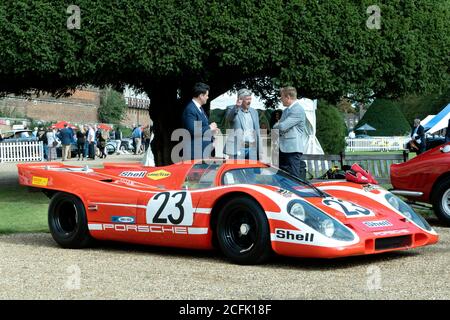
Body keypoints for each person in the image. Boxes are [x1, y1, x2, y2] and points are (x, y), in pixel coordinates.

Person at [272, 86, 307, 180]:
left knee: (294, 178)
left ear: (288, 97)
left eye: (281, 97)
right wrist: (279, 125)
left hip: (292, 149)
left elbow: (282, 126)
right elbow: (277, 126)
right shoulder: (287, 110)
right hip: (283, 148)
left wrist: (278, 124)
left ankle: (295, 194)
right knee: (282, 177)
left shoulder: (297, 109)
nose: (280, 99)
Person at [181, 82, 218, 160]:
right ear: (201, 96)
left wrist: (212, 132)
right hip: (195, 154)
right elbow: (193, 130)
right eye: (207, 95)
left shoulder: (199, 108)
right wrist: (209, 127)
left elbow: (200, 128)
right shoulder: (190, 109)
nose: (208, 97)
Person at [223, 89, 261, 160]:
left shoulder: (254, 112)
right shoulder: (232, 109)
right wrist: (237, 107)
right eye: (247, 99)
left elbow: (257, 131)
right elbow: (229, 119)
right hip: (237, 148)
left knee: (252, 170)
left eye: (250, 99)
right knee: (235, 170)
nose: (249, 101)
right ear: (240, 99)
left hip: (252, 148)